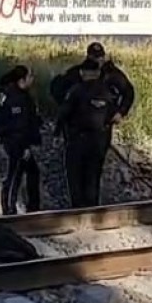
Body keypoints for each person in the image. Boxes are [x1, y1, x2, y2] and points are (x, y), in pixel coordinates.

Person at [55, 58, 120, 209]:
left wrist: (58, 133)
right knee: (93, 177)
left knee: (75, 177)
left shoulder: (76, 91)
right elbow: (114, 116)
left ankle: (78, 210)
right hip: (98, 142)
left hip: (78, 140)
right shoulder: (107, 93)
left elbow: (64, 113)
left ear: (82, 73)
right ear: (97, 73)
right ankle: (92, 209)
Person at [50, 42, 136, 146]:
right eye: (95, 57)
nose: (98, 60)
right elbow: (58, 87)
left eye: (100, 57)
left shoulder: (112, 74)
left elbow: (128, 91)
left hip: (103, 122)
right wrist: (65, 106)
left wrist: (121, 112)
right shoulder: (78, 71)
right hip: (77, 124)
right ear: (88, 57)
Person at [0, 65, 43, 216]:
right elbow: (18, 125)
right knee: (14, 175)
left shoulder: (16, 94)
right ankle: (9, 210)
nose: (32, 79)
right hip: (16, 143)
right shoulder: (16, 98)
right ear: (22, 80)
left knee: (32, 172)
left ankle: (33, 208)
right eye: (30, 77)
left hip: (15, 140)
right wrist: (25, 147)